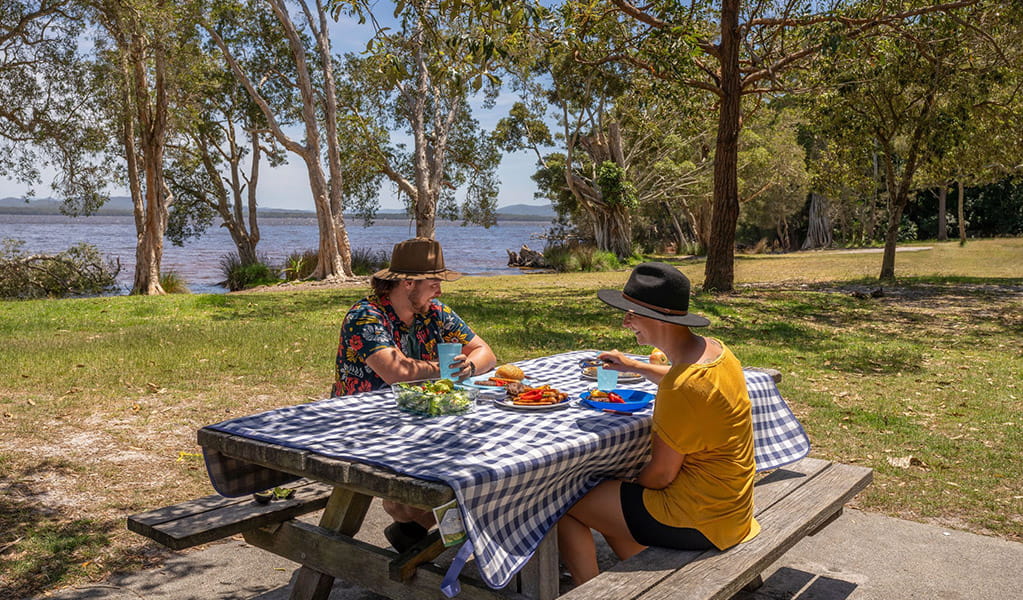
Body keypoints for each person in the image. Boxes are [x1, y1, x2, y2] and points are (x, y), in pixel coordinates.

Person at [557, 262, 760, 585]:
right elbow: (686, 378)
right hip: (733, 509)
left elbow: (661, 476)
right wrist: (635, 366)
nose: (625, 322)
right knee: (614, 503)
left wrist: (630, 480)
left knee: (563, 503)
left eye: (631, 314)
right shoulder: (717, 352)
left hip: (699, 517)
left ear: (657, 319)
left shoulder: (680, 388)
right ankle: (644, 582)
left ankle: (589, 592)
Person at [332, 237, 497, 552]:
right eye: (433, 282)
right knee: (407, 502)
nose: (439, 290)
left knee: (489, 462)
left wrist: (468, 367)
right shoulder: (366, 316)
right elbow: (399, 373)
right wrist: (443, 367)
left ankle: (420, 536)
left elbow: (484, 352)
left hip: (422, 419)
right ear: (408, 283)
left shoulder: (434, 312)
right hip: (365, 426)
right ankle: (454, 533)